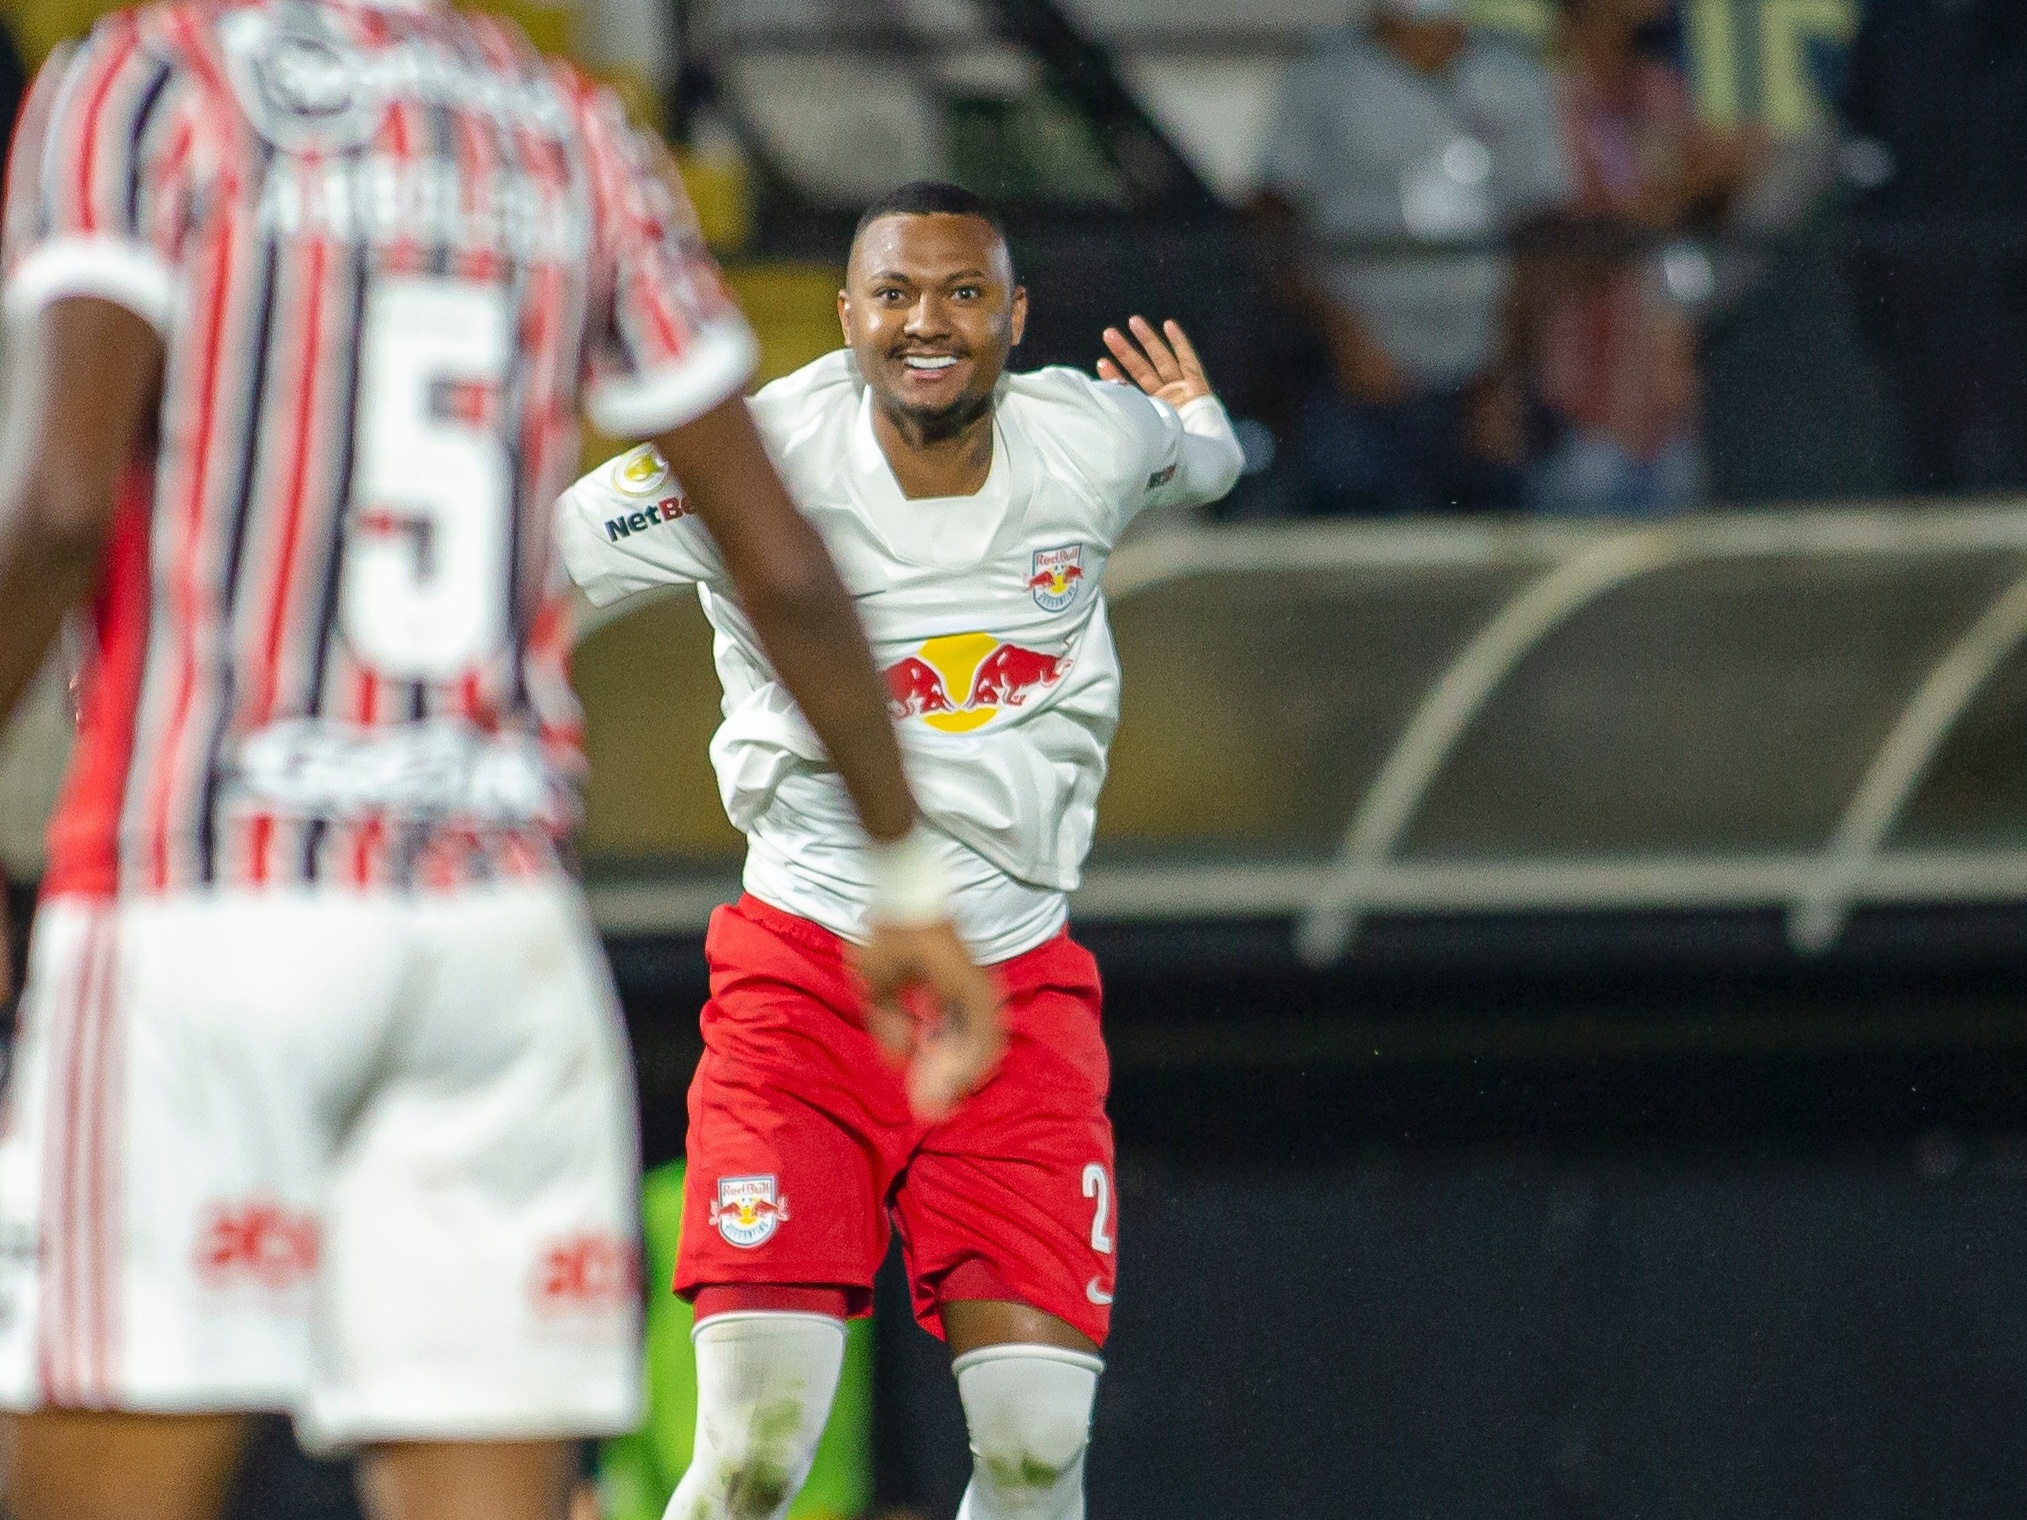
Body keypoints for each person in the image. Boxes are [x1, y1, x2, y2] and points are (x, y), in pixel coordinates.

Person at [0, 5, 998, 1518]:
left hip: (208, 900)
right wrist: (905, 872)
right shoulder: (566, 126)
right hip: (498, 936)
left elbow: (64, 503)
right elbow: (781, 557)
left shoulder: (144, 90)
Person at [555, 181, 1244, 1520]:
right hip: (808, 979)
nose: (925, 323)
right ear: (846, 314)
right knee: (754, 1457)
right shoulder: (749, 461)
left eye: (961, 294)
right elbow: (535, 555)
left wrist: (1203, 421)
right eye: (894, 295)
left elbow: (1197, 462)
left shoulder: (1088, 438)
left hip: (1014, 991)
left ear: (1015, 317)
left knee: (1039, 1454)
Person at [1255, 0, 1571, 516]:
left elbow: (1542, 236)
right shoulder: (1322, 73)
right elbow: (1274, 220)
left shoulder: (1513, 73)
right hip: (1360, 385)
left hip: (1483, 388)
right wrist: (1343, 336)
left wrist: (1506, 375)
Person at [1528, 0, 1761, 516]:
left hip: (1667, 406)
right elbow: (1559, 247)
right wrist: (1674, 196)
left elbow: (1713, 185)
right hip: (1582, 411)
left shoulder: (1659, 93)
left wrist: (1721, 178)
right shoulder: (1545, 99)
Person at [1840, 0, 2027, 494]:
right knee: (1930, 477)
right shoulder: (1894, 24)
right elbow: (1863, 139)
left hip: (2009, 289)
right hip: (1919, 294)